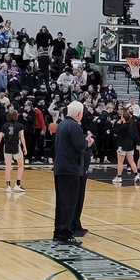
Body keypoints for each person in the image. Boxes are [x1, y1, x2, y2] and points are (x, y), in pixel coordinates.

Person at [53, 101, 92, 244]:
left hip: (60, 168)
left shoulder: (62, 125)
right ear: (79, 113)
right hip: (70, 169)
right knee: (69, 202)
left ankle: (58, 232)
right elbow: (80, 147)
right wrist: (87, 142)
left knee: (62, 202)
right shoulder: (74, 126)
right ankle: (65, 234)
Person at [0, 110, 27, 193]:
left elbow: (0, 137)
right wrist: (25, 147)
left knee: (8, 166)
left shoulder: (4, 126)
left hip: (7, 146)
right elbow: (22, 138)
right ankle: (17, 184)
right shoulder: (20, 125)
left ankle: (8, 186)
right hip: (16, 146)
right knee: (21, 165)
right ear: (16, 116)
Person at [112, 109, 138, 183]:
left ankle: (119, 177)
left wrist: (117, 123)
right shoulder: (130, 124)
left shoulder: (123, 126)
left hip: (122, 145)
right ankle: (136, 175)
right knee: (131, 161)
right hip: (130, 145)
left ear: (123, 118)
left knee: (120, 162)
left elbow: (116, 131)